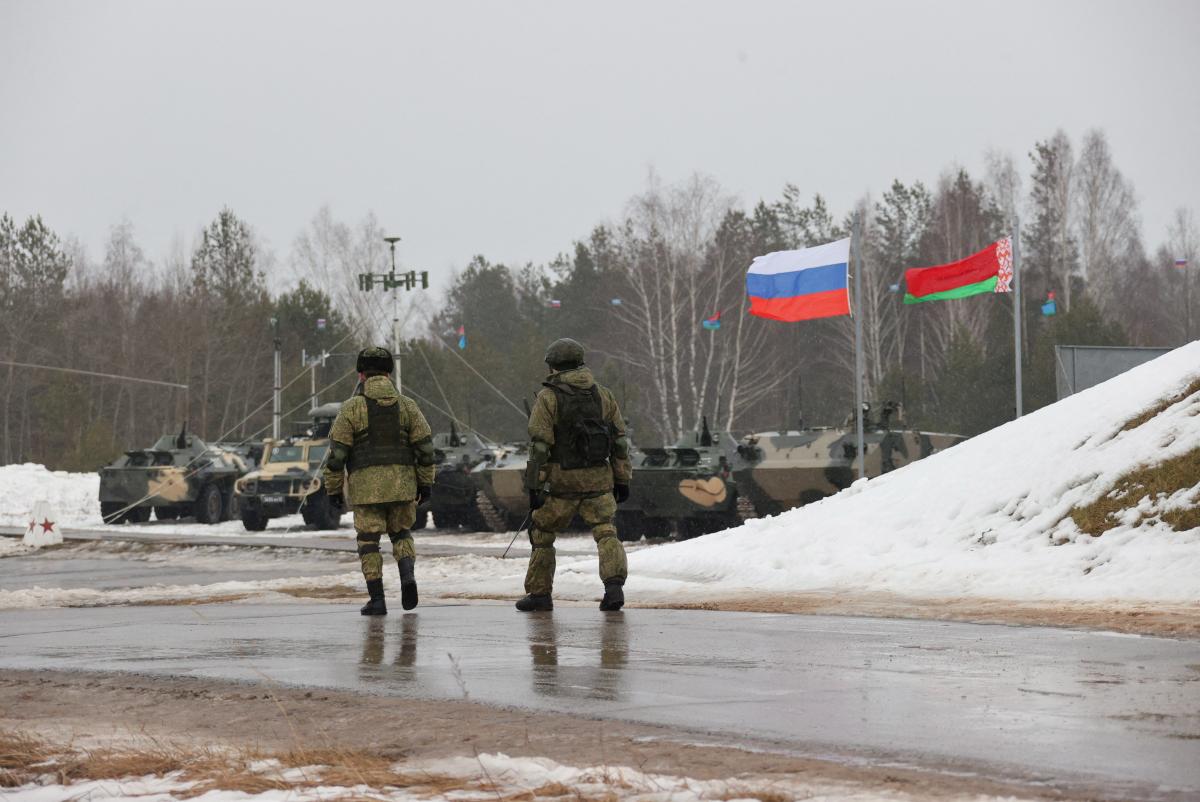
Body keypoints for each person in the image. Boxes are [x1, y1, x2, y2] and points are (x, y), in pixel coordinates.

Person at [516, 338, 632, 612]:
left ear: (553, 365)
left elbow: (540, 446)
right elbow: (619, 441)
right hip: (598, 480)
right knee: (605, 531)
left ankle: (540, 594)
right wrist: (622, 478)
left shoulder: (548, 397)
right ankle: (613, 586)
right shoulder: (603, 394)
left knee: (542, 533)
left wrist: (535, 485)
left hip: (561, 482)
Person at [323, 347, 436, 615]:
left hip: (365, 490)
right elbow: (426, 449)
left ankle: (377, 600)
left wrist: (333, 489)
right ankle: (407, 576)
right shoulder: (408, 406)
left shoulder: (351, 408)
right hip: (402, 486)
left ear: (361, 375)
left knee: (368, 541)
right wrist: (425, 483)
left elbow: (337, 455)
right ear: (389, 374)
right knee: (401, 534)